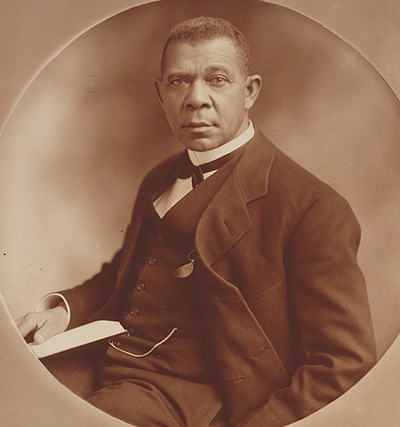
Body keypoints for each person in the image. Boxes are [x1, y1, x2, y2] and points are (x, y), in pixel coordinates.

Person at [16, 16, 376, 427]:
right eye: (178, 82)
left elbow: (343, 363)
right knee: (15, 391)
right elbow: (126, 276)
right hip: (105, 359)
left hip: (193, 397)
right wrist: (63, 311)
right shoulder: (161, 177)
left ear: (250, 91)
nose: (196, 99)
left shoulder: (313, 208)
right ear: (161, 93)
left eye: (217, 79)